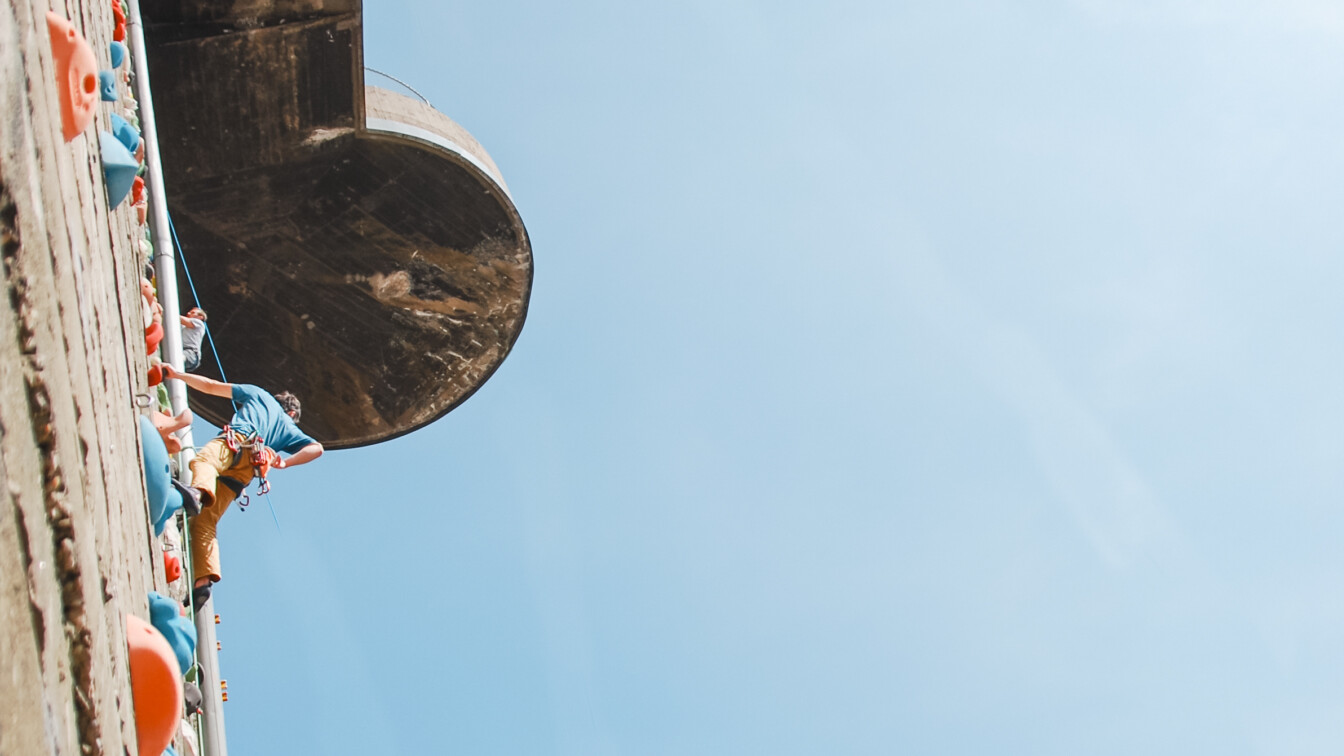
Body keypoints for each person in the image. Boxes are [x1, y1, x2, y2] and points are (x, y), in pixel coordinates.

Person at [161, 364, 323, 605]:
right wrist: (285, 463)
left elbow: (211, 386)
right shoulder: (289, 427)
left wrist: (177, 375)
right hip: (246, 472)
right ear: (292, 414)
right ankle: (203, 582)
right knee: (206, 523)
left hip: (238, 441)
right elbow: (317, 449)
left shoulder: (259, 394)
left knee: (205, 462)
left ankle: (196, 493)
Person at [178, 307, 208, 372]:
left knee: (177, 359)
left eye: (192, 313)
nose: (188, 313)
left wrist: (167, 313)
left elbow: (179, 318)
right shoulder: (183, 326)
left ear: (200, 317)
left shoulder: (199, 323)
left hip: (191, 354)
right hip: (184, 352)